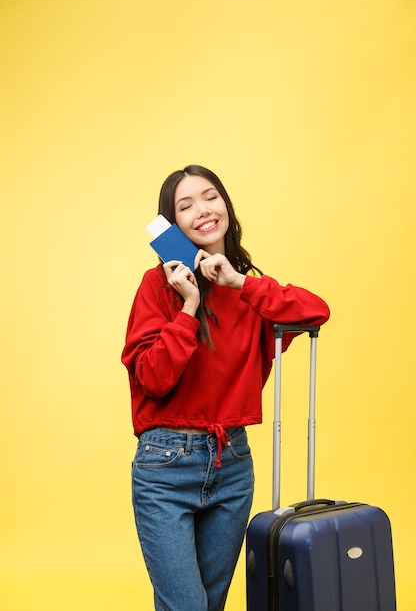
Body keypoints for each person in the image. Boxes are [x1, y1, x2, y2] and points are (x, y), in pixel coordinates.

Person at [121, 165, 330, 611]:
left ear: (227, 208)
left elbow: (316, 312)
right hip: (165, 466)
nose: (202, 210)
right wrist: (189, 306)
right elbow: (154, 378)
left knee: (210, 605)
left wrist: (237, 281)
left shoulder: (249, 289)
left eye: (210, 196)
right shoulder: (158, 287)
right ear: (172, 225)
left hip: (232, 463)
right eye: (185, 205)